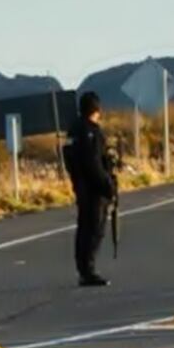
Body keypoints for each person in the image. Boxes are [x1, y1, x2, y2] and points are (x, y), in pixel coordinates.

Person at [63, 91, 116, 287]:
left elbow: (68, 158)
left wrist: (76, 179)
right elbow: (94, 163)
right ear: (96, 110)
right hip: (94, 189)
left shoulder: (72, 131)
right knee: (94, 229)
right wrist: (108, 186)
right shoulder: (91, 132)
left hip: (81, 185)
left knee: (84, 227)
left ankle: (83, 268)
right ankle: (88, 270)